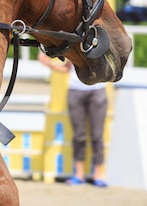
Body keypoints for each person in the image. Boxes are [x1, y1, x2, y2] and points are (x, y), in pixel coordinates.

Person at [38, 52, 109, 187]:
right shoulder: (75, 45)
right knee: (78, 135)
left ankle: (99, 174)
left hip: (97, 90)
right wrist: (48, 64)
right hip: (76, 90)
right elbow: (66, 68)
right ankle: (79, 174)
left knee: (97, 135)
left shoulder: (101, 42)